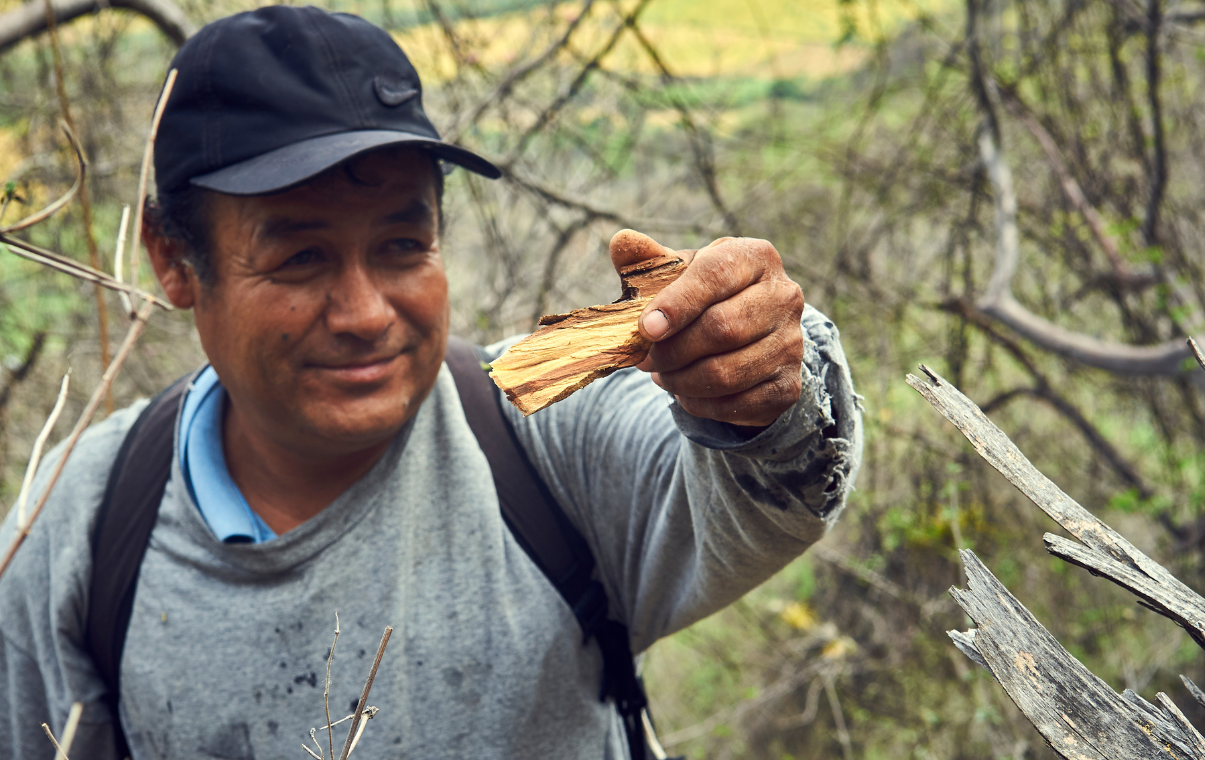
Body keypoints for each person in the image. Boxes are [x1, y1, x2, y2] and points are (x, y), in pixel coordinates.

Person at [0, 6, 862, 759]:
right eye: (300, 256)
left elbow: (767, 499)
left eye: (402, 245)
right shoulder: (80, 529)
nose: (366, 311)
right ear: (173, 262)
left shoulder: (538, 445)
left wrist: (765, 382)